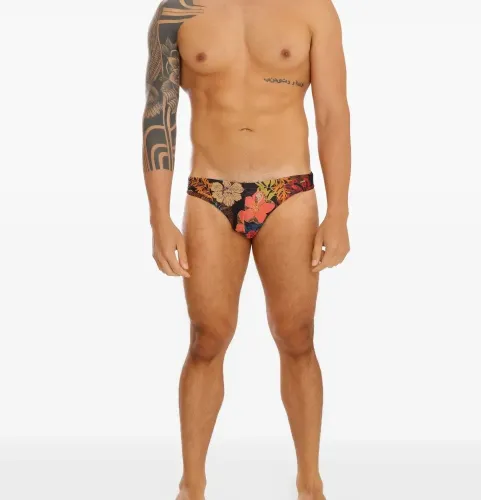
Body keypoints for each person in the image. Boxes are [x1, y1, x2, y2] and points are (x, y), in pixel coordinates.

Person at [142, 0, 350, 498]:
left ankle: (309, 482)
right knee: (206, 339)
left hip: (289, 189)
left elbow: (332, 112)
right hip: (210, 191)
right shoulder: (176, 12)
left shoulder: (313, 9)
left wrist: (339, 211)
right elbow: (159, 111)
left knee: (297, 337)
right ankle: (192, 485)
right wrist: (158, 216)